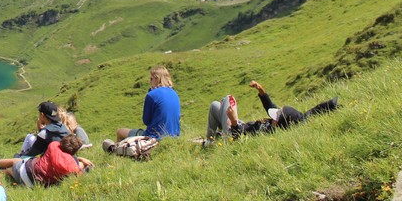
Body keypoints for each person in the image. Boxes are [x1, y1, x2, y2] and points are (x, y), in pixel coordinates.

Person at [210, 81, 339, 140]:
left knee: (228, 99)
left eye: (276, 116)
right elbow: (311, 113)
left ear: (279, 124)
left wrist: (233, 121)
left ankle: (217, 139)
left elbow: (240, 140)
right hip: (241, 125)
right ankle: (211, 140)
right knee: (215, 105)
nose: (274, 114)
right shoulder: (282, 122)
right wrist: (261, 90)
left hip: (234, 132)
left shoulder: (267, 134)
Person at [0, 101, 71, 170]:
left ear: (42, 115)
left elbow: (32, 153)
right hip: (65, 163)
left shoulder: (45, 133)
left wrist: (18, 156)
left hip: (50, 166)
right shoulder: (64, 129)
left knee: (18, 159)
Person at [116, 65, 181, 141]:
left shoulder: (152, 95)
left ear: (157, 79)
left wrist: (150, 92)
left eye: (151, 79)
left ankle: (116, 151)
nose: (150, 81)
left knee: (120, 131)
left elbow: (146, 121)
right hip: (174, 136)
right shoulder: (174, 93)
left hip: (154, 136)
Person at [6, 134, 93, 188]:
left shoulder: (54, 145)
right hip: (37, 185)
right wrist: (80, 161)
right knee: (16, 164)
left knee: (12, 165)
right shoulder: (72, 166)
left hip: (26, 170)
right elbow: (78, 171)